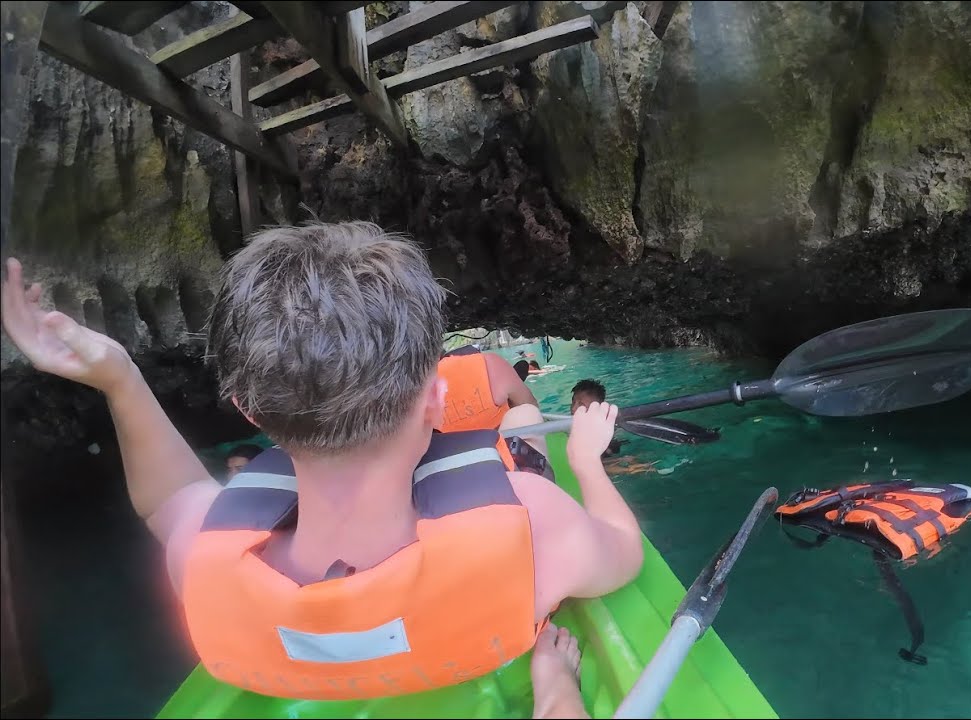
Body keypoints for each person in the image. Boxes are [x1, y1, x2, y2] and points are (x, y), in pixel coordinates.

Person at [0, 222, 645, 718]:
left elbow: (167, 498)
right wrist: (588, 463)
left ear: (249, 407)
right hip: (481, 636)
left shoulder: (199, 555)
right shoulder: (536, 519)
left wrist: (119, 377)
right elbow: (624, 554)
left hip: (288, 666)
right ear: (434, 400)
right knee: (518, 432)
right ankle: (556, 690)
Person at [570, 379, 657, 476]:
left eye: (581, 405)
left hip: (608, 449)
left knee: (592, 465)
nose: (573, 408)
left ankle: (631, 469)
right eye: (573, 402)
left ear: (598, 407)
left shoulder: (598, 429)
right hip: (610, 448)